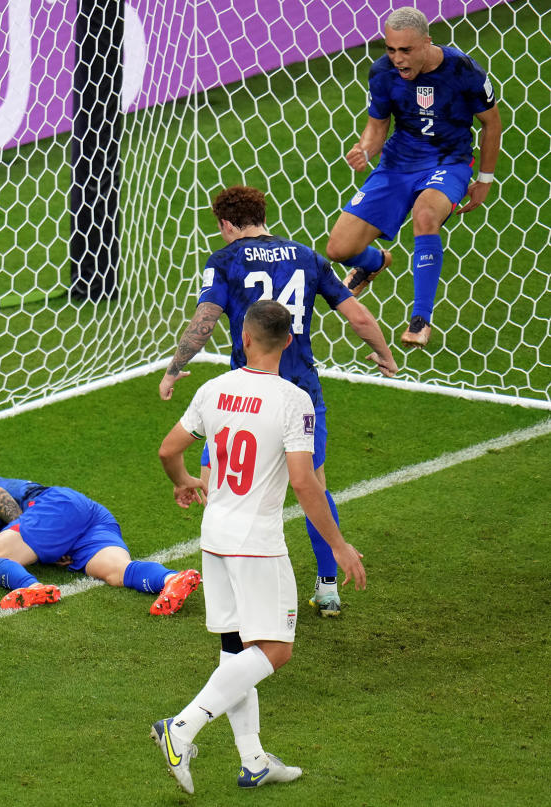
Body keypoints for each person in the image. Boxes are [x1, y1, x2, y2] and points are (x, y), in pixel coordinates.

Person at [152, 299, 367, 794]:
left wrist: (184, 480)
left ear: (243, 338)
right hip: (257, 542)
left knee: (236, 649)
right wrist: (337, 544)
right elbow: (305, 483)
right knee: (278, 648)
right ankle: (180, 728)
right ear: (288, 343)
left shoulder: (214, 388)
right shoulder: (294, 400)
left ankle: (253, 759)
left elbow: (168, 450)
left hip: (214, 538)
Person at [160, 184, 394, 617]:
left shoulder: (224, 260)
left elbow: (205, 319)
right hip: (299, 392)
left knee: (219, 479)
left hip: (242, 392)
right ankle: (327, 586)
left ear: (226, 224)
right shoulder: (306, 256)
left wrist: (175, 367)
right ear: (262, 216)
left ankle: (228, 576)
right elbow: (356, 313)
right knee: (313, 486)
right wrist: (383, 351)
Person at [324, 6, 502, 348]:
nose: (398, 59)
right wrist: (364, 149)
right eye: (391, 50)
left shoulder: (464, 70)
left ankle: (420, 319)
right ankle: (374, 263)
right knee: (338, 248)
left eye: (405, 50)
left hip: (448, 163)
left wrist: (485, 179)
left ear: (426, 43)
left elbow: (491, 123)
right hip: (398, 164)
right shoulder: (382, 73)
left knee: (425, 215)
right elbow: (377, 128)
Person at [0, 477, 201, 614]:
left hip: (53, 509)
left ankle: (31, 587)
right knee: (116, 571)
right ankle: (172, 579)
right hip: (88, 515)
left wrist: (27, 530)